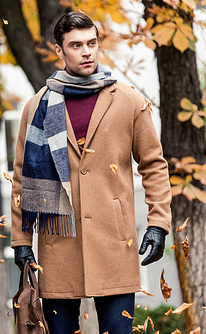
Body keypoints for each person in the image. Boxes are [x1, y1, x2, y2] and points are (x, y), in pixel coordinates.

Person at [11, 12, 171, 334]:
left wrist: (159, 223)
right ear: (59, 51)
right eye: (76, 45)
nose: (86, 51)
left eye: (91, 43)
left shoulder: (128, 100)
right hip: (58, 245)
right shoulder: (37, 106)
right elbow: (21, 177)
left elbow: (153, 164)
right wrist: (21, 239)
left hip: (114, 243)